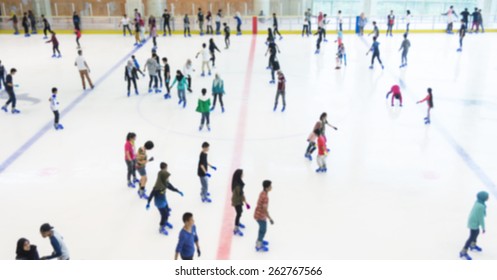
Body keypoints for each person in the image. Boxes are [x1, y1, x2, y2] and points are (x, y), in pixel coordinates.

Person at [146, 162, 184, 236]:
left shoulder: (165, 182)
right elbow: (151, 194)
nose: (167, 179)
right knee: (164, 215)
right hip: (159, 203)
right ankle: (161, 227)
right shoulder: (157, 187)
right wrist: (148, 202)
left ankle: (165, 222)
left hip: (164, 200)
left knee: (167, 213)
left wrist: (178, 191)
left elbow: (171, 187)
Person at [459, 191, 489, 260]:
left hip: (473, 221)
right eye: (487, 197)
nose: (488, 198)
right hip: (473, 223)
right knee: (472, 236)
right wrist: (483, 227)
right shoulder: (481, 206)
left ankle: (473, 245)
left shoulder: (479, 202)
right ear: (483, 198)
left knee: (476, 233)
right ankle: (463, 251)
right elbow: (481, 218)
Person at [254, 180, 274, 252]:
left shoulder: (262, 192)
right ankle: (259, 245)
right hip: (260, 216)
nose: (271, 187)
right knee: (263, 230)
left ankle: (260, 240)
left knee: (261, 229)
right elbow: (265, 209)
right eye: (270, 186)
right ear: (267, 187)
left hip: (258, 213)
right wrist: (270, 218)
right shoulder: (265, 197)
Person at [231, 169, 250, 236]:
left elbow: (241, 194)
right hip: (237, 201)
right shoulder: (238, 185)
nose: (243, 174)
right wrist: (246, 202)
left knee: (240, 212)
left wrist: (245, 202)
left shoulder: (238, 182)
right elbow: (241, 195)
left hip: (238, 200)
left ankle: (238, 223)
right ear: (239, 175)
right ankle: (236, 228)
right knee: (239, 213)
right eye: (242, 173)